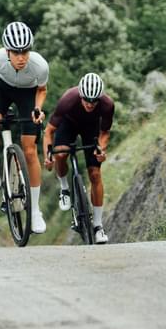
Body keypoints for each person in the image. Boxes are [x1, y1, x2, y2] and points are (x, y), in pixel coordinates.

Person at [0, 21, 49, 234]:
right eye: (16, 53)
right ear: (7, 51)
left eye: (25, 52)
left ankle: (35, 211)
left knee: (30, 151)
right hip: (1, 89)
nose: (21, 57)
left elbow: (42, 90)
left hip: (28, 93)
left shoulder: (40, 66)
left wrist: (37, 108)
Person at [44, 72, 114, 244]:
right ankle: (65, 188)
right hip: (68, 123)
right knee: (60, 154)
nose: (90, 104)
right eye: (86, 100)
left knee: (95, 174)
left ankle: (98, 226)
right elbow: (49, 131)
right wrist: (48, 156)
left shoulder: (107, 104)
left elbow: (104, 133)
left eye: (94, 101)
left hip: (90, 127)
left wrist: (101, 150)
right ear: (80, 95)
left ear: (100, 98)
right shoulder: (68, 99)